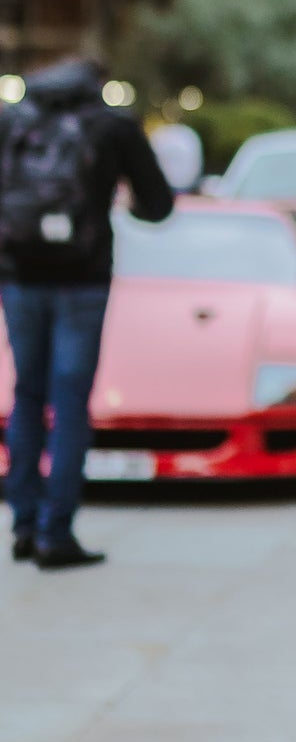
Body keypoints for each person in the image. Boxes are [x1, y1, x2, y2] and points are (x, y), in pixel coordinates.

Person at [0, 57, 174, 568]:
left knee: (27, 393)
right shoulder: (111, 124)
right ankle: (58, 533)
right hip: (84, 279)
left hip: (19, 275)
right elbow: (158, 205)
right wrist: (113, 200)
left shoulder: (12, 118)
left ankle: (24, 523)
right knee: (70, 401)